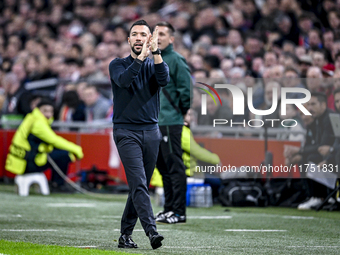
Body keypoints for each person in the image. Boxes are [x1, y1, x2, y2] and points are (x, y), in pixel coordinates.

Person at [109, 20, 169, 250]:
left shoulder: (157, 63)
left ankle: (125, 235)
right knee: (140, 183)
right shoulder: (117, 64)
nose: (137, 37)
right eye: (134, 34)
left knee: (138, 186)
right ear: (128, 40)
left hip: (152, 132)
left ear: (149, 39)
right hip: (126, 132)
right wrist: (140, 58)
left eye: (143, 34)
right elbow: (124, 81)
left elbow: (164, 80)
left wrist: (155, 53)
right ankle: (151, 231)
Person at [154, 22, 191, 224]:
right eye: (155, 33)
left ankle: (179, 211)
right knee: (163, 167)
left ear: (171, 39)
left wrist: (179, 113)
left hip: (170, 121)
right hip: (155, 121)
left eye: (162, 34)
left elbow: (186, 91)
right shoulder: (151, 58)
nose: (158, 37)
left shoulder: (176, 60)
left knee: (174, 166)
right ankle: (168, 209)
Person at [5, 98, 84, 192]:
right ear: (38, 110)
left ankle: (56, 183)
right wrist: (76, 149)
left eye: (51, 111)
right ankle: (58, 185)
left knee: (58, 154)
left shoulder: (31, 118)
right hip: (26, 163)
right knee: (65, 155)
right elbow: (54, 140)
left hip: (21, 161)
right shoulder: (38, 123)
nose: (48, 114)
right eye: (45, 111)